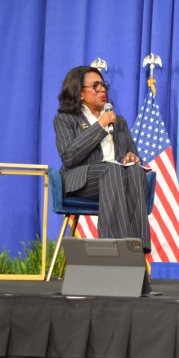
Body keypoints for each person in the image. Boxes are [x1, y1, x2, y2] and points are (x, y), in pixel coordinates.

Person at [54, 66, 151, 250]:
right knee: (112, 170)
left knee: (136, 172)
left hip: (115, 178)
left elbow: (132, 153)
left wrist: (131, 158)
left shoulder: (118, 121)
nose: (103, 89)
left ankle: (137, 248)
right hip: (81, 182)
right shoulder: (66, 119)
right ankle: (112, 250)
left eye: (103, 85)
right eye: (95, 85)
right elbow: (69, 157)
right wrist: (100, 125)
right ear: (79, 92)